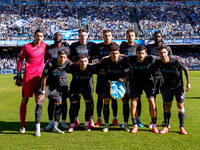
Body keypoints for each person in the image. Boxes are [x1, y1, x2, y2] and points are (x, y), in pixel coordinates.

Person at [15, 29, 47, 134]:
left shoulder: (44, 46)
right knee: (25, 100)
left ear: (43, 37)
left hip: (39, 78)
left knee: (39, 101)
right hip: (28, 77)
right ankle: (23, 126)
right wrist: (19, 74)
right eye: (37, 36)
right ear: (34, 36)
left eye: (41, 36)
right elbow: (20, 59)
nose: (39, 38)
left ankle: (38, 125)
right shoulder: (26, 47)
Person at [35, 50, 71, 136]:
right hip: (46, 86)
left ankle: (55, 127)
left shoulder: (67, 63)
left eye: (64, 57)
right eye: (60, 57)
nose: (62, 59)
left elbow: (76, 64)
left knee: (59, 103)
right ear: (57, 56)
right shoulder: (50, 64)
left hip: (56, 87)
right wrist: (42, 93)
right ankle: (37, 129)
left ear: (66, 58)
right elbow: (44, 78)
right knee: (39, 103)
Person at [157, 47, 191, 135]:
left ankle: (181, 127)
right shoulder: (158, 63)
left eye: (164, 52)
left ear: (167, 53)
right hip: (167, 87)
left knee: (180, 105)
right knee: (167, 106)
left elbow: (186, 69)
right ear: (158, 54)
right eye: (161, 53)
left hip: (178, 86)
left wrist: (188, 83)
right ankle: (166, 126)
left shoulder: (176, 60)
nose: (163, 54)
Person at [126, 45, 159, 134]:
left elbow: (163, 58)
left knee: (152, 102)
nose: (141, 55)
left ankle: (154, 125)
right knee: (133, 103)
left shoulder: (151, 58)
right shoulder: (131, 59)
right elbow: (121, 57)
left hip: (149, 82)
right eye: (139, 53)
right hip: (136, 83)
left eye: (143, 53)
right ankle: (135, 125)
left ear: (146, 54)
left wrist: (175, 57)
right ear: (136, 53)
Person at [98, 44, 131, 132]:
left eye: (116, 53)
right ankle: (106, 125)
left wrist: (124, 78)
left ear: (119, 53)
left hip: (122, 84)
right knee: (106, 102)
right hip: (109, 84)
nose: (115, 55)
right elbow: (100, 71)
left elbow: (128, 74)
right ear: (110, 53)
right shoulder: (105, 61)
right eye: (113, 53)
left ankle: (126, 124)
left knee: (125, 102)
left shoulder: (123, 61)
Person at [69, 28, 97, 128]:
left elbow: (95, 58)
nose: (83, 37)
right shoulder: (74, 46)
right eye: (81, 35)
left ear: (88, 35)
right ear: (78, 36)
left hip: (87, 76)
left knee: (89, 99)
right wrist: (75, 63)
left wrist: (89, 64)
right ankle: (75, 119)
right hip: (77, 74)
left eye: (84, 35)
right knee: (76, 98)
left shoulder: (92, 45)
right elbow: (69, 58)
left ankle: (91, 120)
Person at [146, 31, 173, 128]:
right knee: (152, 100)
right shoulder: (149, 47)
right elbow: (146, 58)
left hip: (164, 76)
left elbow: (169, 60)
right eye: (155, 36)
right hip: (152, 76)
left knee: (166, 100)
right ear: (153, 37)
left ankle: (166, 121)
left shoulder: (167, 48)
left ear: (161, 37)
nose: (157, 38)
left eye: (159, 36)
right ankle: (153, 121)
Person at [44, 32, 71, 130]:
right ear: (53, 37)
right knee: (51, 101)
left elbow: (70, 62)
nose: (57, 37)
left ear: (62, 37)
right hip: (52, 78)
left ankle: (63, 122)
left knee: (64, 101)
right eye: (55, 35)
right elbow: (44, 62)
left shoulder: (67, 48)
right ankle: (50, 122)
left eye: (59, 35)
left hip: (63, 78)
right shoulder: (48, 48)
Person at [67, 54, 99, 132]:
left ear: (88, 62)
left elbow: (102, 69)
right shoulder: (73, 68)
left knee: (89, 105)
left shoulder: (92, 68)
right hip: (75, 87)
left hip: (86, 88)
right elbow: (62, 69)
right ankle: (71, 125)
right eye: (81, 61)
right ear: (78, 62)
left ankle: (86, 124)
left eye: (85, 61)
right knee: (73, 105)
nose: (83, 63)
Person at [95, 30, 119, 127]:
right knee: (100, 97)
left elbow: (120, 55)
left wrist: (107, 56)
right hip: (101, 76)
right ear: (102, 36)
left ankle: (115, 118)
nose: (107, 37)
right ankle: (99, 118)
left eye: (109, 35)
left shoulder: (115, 46)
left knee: (114, 97)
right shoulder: (98, 46)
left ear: (112, 36)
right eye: (105, 36)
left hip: (113, 75)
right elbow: (94, 58)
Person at [120, 29, 143, 128]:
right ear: (126, 36)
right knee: (125, 98)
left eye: (132, 35)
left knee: (138, 99)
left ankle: (138, 120)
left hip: (137, 76)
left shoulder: (138, 47)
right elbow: (117, 55)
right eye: (129, 35)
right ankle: (125, 121)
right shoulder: (122, 47)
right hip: (125, 75)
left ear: (135, 36)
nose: (130, 37)